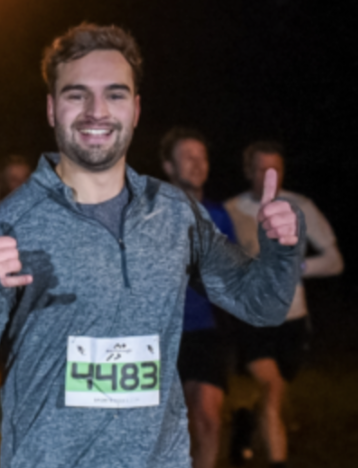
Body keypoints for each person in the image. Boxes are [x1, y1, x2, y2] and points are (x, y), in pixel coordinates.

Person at [0, 23, 306, 467]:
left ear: (136, 109)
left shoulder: (175, 214)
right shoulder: (10, 224)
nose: (97, 111)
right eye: (77, 95)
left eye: (114, 94)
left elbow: (261, 305)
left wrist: (281, 247)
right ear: (52, 109)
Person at [223, 141, 343, 467]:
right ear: (247, 171)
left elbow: (334, 261)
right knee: (272, 386)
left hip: (294, 320)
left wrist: (297, 268)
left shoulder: (301, 206)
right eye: (261, 169)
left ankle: (245, 424)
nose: (268, 176)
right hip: (253, 319)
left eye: (275, 169)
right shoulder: (230, 211)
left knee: (276, 392)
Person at [160, 127, 238, 468]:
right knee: (168, 427)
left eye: (202, 157)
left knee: (207, 416)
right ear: (168, 166)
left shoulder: (220, 215)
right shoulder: (149, 215)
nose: (197, 164)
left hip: (208, 331)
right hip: (161, 334)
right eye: (187, 157)